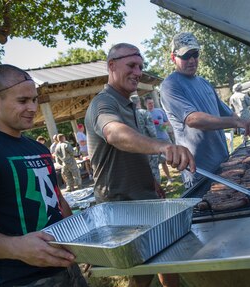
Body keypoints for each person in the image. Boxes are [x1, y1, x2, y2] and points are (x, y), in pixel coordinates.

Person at [0, 64, 88, 286]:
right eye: (23, 101)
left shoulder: (39, 149)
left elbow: (58, 200)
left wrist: (82, 244)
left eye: (34, 99)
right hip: (21, 280)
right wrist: (16, 247)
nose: (32, 107)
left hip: (67, 270)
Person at [84, 43, 195, 287]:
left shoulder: (128, 103)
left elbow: (129, 149)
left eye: (140, 66)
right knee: (142, 272)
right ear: (111, 66)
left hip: (143, 197)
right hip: (121, 206)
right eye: (131, 65)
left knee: (165, 255)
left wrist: (151, 180)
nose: (138, 71)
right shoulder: (103, 103)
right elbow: (114, 134)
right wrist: (164, 146)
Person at [160, 32, 250, 188]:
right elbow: (193, 119)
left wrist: (246, 124)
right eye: (185, 56)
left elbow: (228, 113)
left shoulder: (204, 83)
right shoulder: (170, 86)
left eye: (195, 54)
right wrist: (236, 121)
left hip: (224, 163)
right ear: (173, 57)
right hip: (199, 171)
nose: (191, 60)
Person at [130, 94, 161, 183]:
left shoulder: (128, 115)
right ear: (139, 102)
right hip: (149, 147)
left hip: (136, 149)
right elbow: (152, 132)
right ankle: (158, 192)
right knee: (154, 170)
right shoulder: (144, 113)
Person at [145, 96, 174, 185]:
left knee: (174, 156)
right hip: (155, 142)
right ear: (145, 104)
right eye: (149, 103)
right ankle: (169, 179)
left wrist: (162, 125)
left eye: (152, 103)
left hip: (165, 138)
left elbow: (168, 122)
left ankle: (184, 174)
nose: (152, 104)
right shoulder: (145, 114)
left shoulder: (160, 111)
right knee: (163, 161)